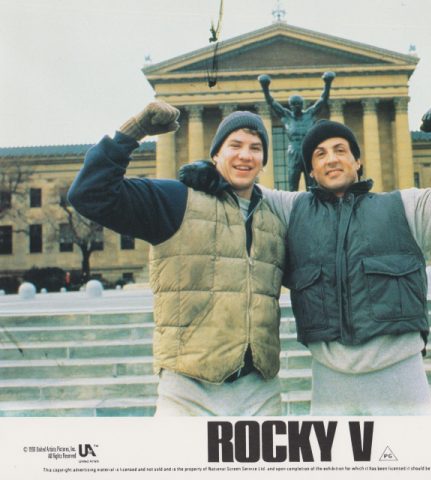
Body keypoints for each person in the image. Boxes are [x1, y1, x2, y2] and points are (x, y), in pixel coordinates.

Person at [180, 103, 431, 415]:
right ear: (311, 171)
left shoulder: (405, 208)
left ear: (358, 162)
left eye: (340, 150)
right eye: (320, 154)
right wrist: (214, 177)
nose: (331, 159)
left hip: (400, 378)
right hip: (330, 381)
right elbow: (244, 187)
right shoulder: (292, 210)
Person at [68, 102, 287, 416]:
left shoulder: (275, 218)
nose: (245, 155)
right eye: (234, 145)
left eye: (255, 148)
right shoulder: (175, 199)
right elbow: (89, 194)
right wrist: (132, 133)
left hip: (260, 393)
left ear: (264, 160)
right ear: (216, 155)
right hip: (188, 393)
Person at [258, 71, 335, 191]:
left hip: (308, 151)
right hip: (294, 152)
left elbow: (323, 100)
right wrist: (265, 87)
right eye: (293, 104)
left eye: (298, 104)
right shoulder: (286, 116)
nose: (296, 107)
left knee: (312, 184)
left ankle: (313, 205)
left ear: (302, 105)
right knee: (293, 182)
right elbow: (271, 103)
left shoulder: (310, 114)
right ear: (290, 105)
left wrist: (327, 83)